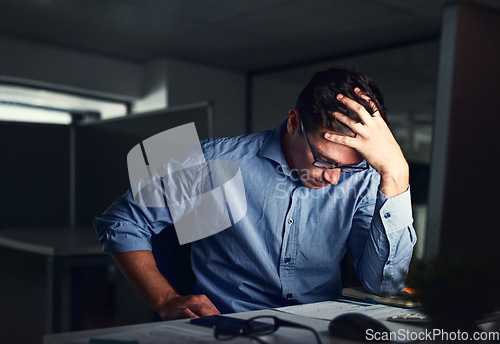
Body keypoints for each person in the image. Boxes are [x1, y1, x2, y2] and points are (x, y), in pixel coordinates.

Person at [94, 67, 416, 320]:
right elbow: (121, 223)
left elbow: (383, 284)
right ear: (293, 122)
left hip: (317, 330)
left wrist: (397, 174)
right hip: (229, 327)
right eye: (324, 160)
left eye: (348, 167)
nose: (334, 178)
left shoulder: (360, 179)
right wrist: (165, 299)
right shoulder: (213, 160)